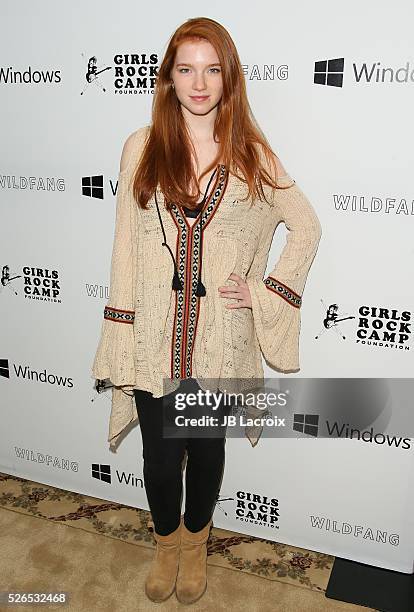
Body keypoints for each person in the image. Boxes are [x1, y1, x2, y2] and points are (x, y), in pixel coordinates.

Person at [91, 16, 322, 605]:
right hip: (154, 340)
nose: (199, 82)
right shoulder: (140, 149)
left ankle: (195, 544)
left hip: (219, 342)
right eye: (186, 68)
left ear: (229, 77)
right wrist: (120, 327)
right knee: (161, 460)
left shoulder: (251, 154)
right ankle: (165, 543)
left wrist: (265, 291)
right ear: (168, 76)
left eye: (212, 69)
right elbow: (124, 247)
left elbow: (306, 227)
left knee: (207, 454)